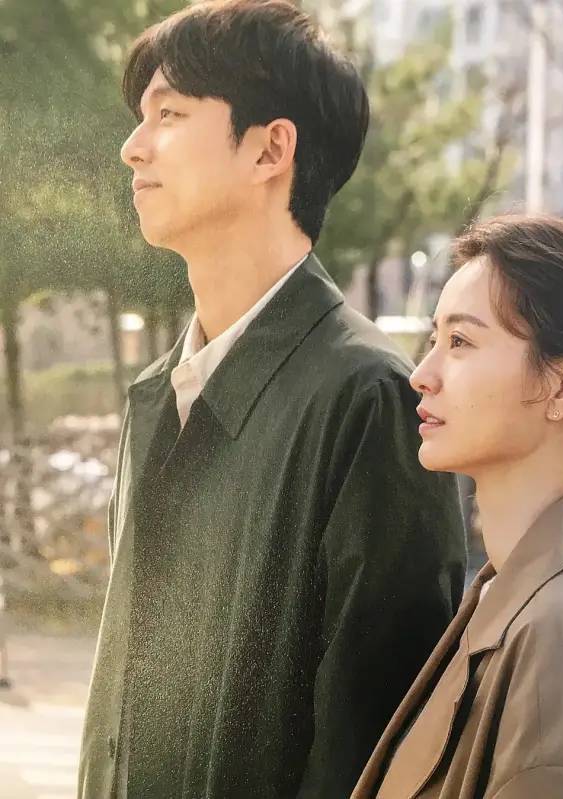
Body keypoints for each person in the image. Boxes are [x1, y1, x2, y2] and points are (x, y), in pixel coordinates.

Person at [77, 2, 466, 798]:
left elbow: (373, 743)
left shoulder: (368, 398)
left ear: (270, 148)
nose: (133, 146)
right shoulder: (156, 397)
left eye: (169, 115)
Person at [352, 215, 563, 799]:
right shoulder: (512, 591)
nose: (422, 375)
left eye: (460, 342)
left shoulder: (562, 626)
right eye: (434, 340)